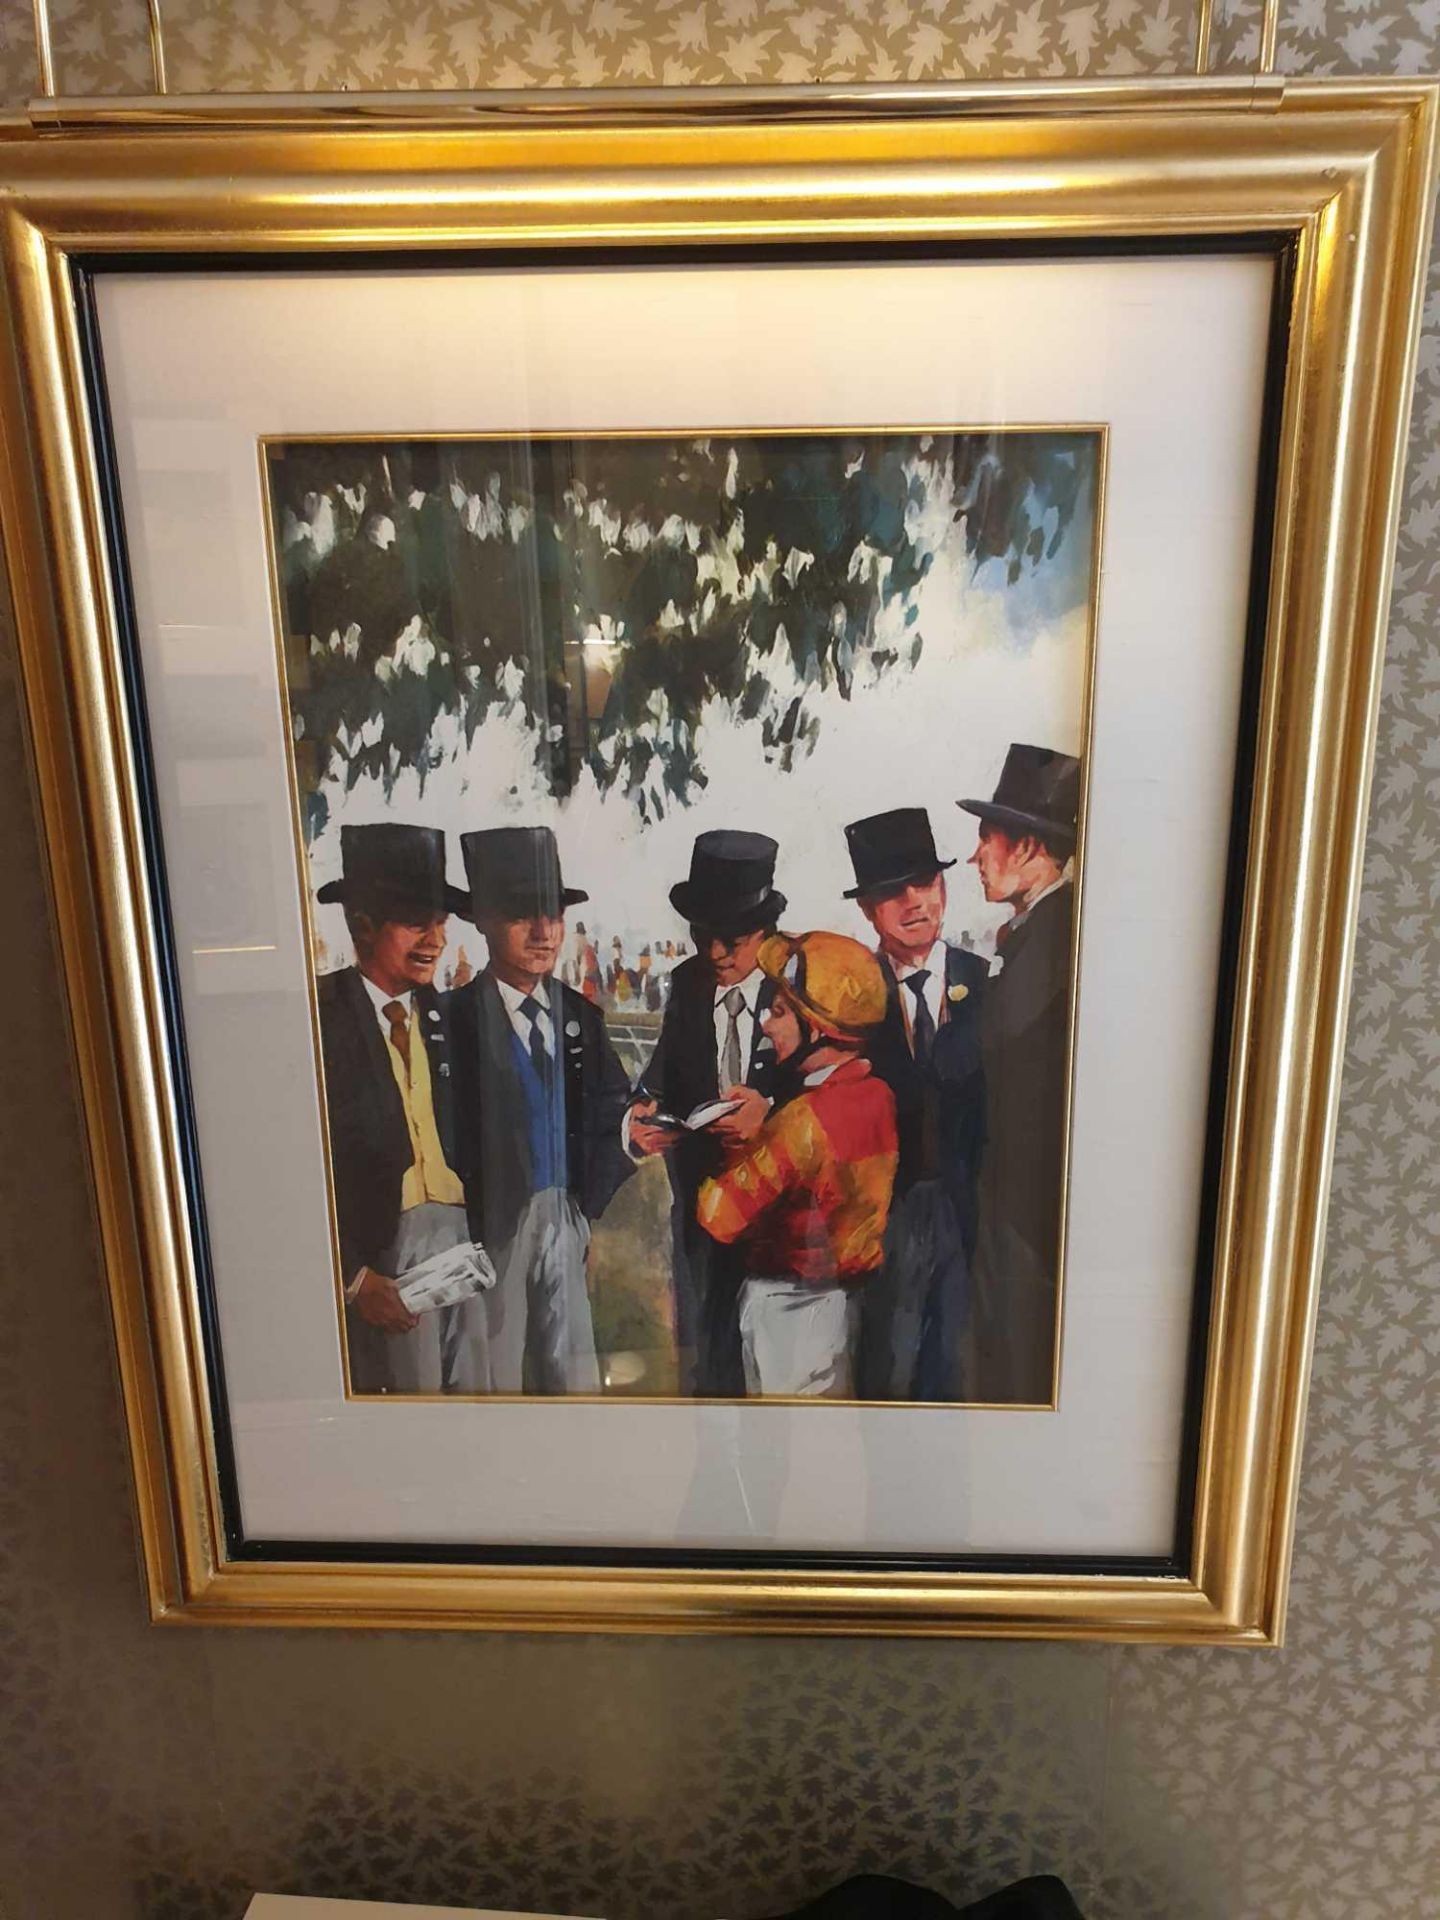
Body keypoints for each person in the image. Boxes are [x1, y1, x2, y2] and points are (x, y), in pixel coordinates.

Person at [449, 826, 634, 1393]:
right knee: (496, 1372)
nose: (542, 933)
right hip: (491, 1229)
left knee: (572, 1372)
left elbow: (612, 1111)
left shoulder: (581, 1017)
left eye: (552, 915)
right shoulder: (453, 1022)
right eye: (519, 916)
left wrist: (587, 1206)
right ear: (482, 922)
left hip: (566, 1217)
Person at [696, 931, 898, 1398]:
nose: (766, 1024)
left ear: (820, 1029)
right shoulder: (878, 1096)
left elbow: (718, 1215)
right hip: (843, 1304)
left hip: (786, 1314)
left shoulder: (800, 1123)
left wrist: (749, 1139)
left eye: (782, 1012)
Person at [314, 822, 476, 1395]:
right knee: (414, 1407)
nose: (434, 939)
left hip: (462, 1244)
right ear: (363, 926)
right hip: (386, 1256)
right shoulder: (320, 1021)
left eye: (440, 922)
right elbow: (295, 1170)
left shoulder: (453, 1019)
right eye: (415, 924)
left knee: (479, 1405)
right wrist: (354, 1279)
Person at [625, 830, 788, 1394]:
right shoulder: (688, 985)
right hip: (701, 1219)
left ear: (765, 932)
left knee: (773, 1371)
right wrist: (645, 1107)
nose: (716, 953)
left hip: (777, 1222)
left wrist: (770, 1112)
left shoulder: (801, 988)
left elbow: (829, 1089)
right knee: (708, 1366)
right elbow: (662, 1075)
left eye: (733, 939)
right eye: (703, 936)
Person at [843, 807, 987, 1401]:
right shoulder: (849, 998)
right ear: (867, 910)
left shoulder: (989, 984)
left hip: (973, 1216)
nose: (913, 903)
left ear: (945, 889)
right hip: (885, 1222)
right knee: (887, 1377)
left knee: (959, 1380)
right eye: (891, 892)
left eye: (924, 884)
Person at [958, 743, 1081, 1404]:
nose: (977, 855)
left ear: (1030, 850)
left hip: (1028, 1227)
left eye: (987, 838)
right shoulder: (1035, 934)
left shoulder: (1055, 938)